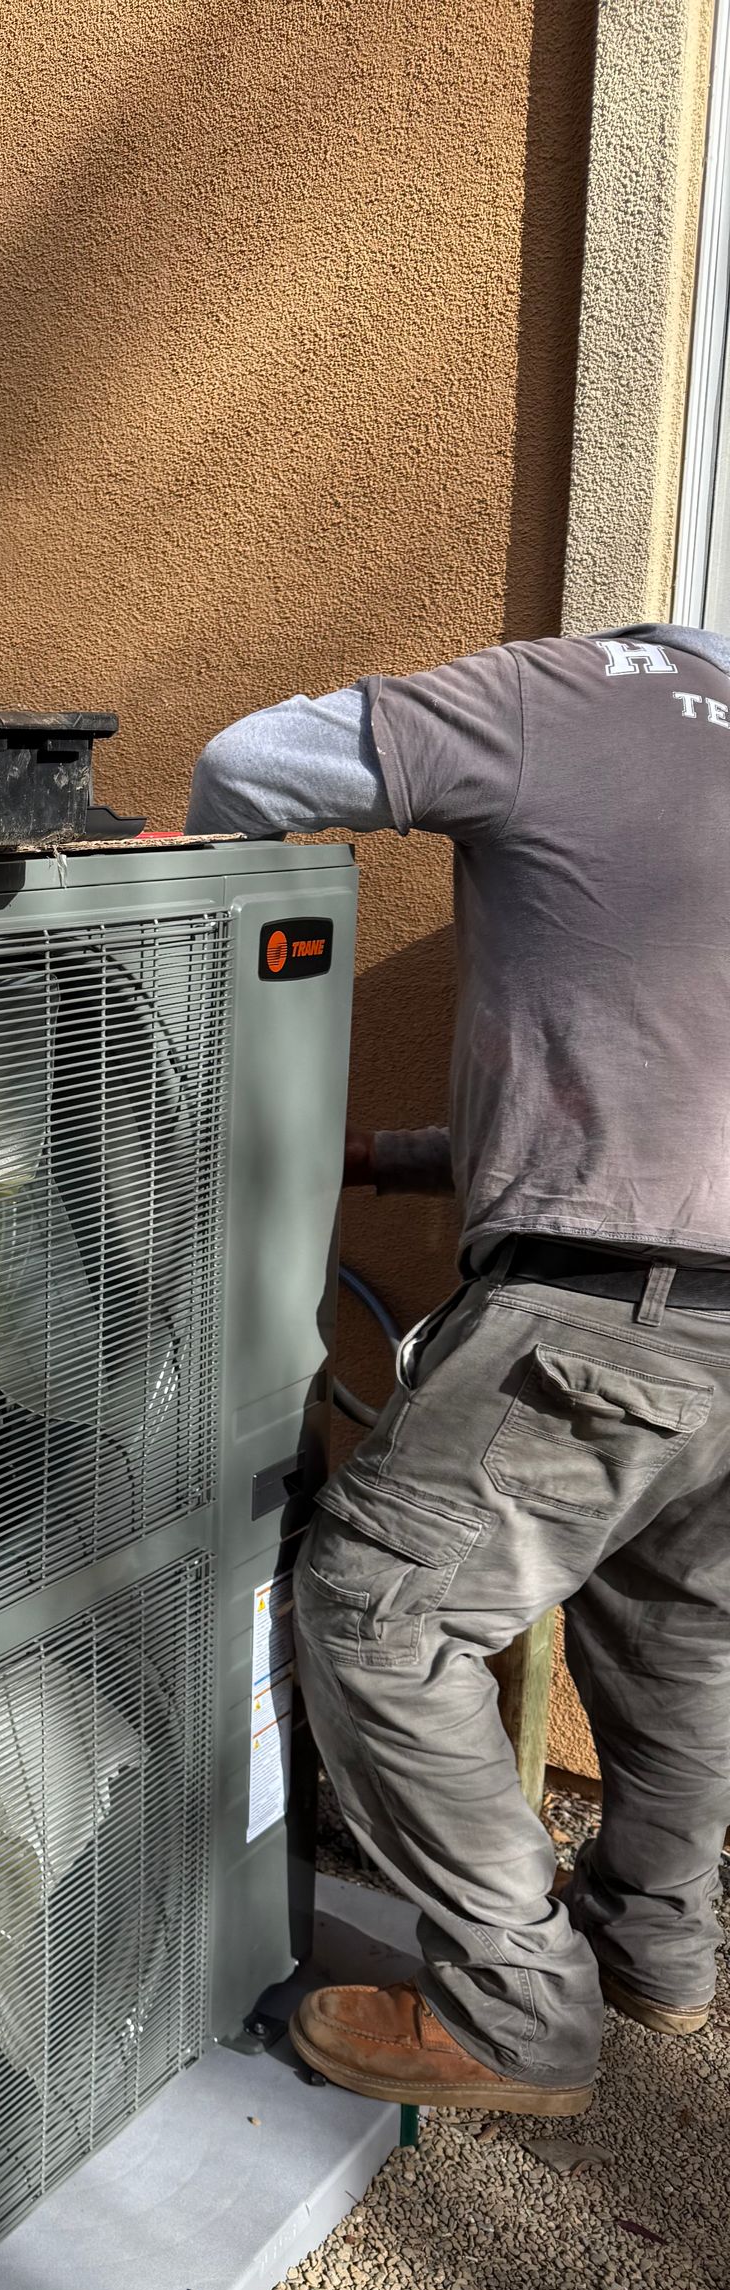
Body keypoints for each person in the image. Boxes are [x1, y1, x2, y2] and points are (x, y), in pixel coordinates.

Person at [188, 626, 730, 2116]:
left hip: (616, 1309)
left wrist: (199, 984)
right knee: (682, 1638)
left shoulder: (568, 692)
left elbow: (247, 769)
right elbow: (670, 1076)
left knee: (371, 1609)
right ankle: (657, 1958)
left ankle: (518, 2021)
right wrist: (404, 1157)